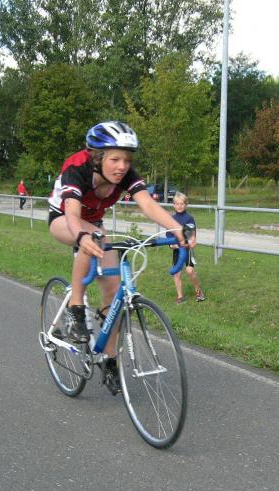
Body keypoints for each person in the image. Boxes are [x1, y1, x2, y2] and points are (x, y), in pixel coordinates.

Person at [48, 121, 187, 395]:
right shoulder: (77, 168)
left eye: (127, 160)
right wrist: (81, 236)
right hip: (64, 220)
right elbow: (73, 213)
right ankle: (76, 309)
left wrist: (176, 228)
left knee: (113, 293)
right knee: (95, 237)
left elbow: (147, 204)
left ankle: (109, 360)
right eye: (115, 159)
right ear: (97, 157)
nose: (122, 166)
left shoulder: (124, 174)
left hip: (94, 225)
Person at [166, 192, 205, 304]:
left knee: (189, 270)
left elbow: (192, 238)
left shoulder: (189, 218)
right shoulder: (171, 219)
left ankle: (198, 291)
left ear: (186, 205)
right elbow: (169, 236)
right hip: (177, 250)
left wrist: (190, 243)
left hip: (187, 250)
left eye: (182, 203)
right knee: (176, 273)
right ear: (174, 205)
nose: (179, 206)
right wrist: (172, 245)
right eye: (177, 203)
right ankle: (180, 297)